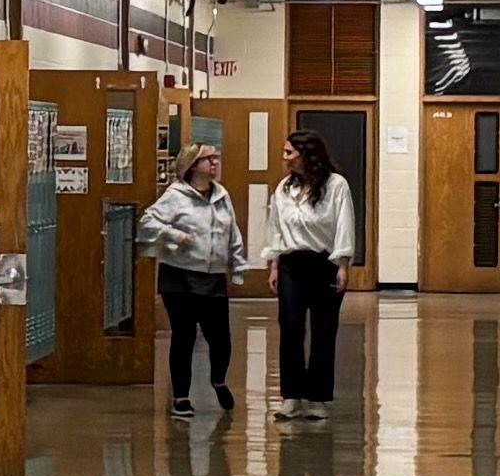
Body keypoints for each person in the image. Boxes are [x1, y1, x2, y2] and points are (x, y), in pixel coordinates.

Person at [256, 132, 354, 414]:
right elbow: (275, 227)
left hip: (324, 263)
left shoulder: (336, 186)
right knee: (290, 327)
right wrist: (274, 263)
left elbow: (344, 225)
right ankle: (291, 395)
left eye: (289, 153)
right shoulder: (284, 188)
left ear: (305, 154)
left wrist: (343, 265)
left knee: (324, 330)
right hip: (291, 265)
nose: (284, 158)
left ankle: (318, 397)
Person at [143, 146, 244, 411]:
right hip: (179, 277)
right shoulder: (175, 196)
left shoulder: (222, 196)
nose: (215, 162)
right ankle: (181, 397)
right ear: (191, 165)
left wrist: (238, 263)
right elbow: (148, 223)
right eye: (208, 159)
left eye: (216, 158)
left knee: (220, 337)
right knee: (184, 335)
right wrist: (176, 236)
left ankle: (218, 381)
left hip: (213, 276)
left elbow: (232, 232)